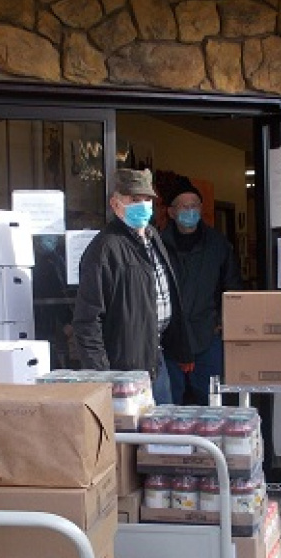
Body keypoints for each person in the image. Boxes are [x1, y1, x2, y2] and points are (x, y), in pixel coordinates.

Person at [72, 167, 191, 404]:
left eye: (147, 199)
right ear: (115, 204)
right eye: (135, 200)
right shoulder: (104, 249)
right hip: (124, 370)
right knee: (134, 428)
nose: (143, 206)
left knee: (162, 426)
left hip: (156, 359)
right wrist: (103, 379)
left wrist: (182, 348)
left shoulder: (153, 237)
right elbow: (87, 321)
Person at [159, 178, 241, 404]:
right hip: (168, 338)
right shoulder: (158, 245)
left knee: (212, 403)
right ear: (171, 212)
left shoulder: (218, 244)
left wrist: (223, 322)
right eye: (184, 206)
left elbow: (232, 288)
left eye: (194, 205)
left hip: (207, 335)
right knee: (168, 406)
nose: (190, 210)